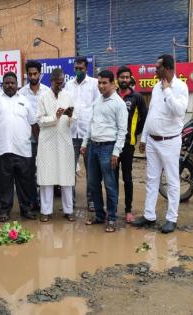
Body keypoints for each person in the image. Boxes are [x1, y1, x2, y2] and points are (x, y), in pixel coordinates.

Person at [132, 54, 188, 233]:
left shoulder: (180, 87)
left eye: (158, 67)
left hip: (170, 142)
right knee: (151, 179)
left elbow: (179, 111)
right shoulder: (156, 87)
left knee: (172, 181)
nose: (155, 70)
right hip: (152, 141)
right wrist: (143, 137)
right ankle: (149, 215)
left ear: (169, 69)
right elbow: (152, 114)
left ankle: (171, 219)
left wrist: (167, 90)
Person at [0, 72, 38, 222]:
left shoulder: (25, 101)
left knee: (25, 182)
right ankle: (4, 211)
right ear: (2, 84)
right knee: (4, 183)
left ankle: (26, 209)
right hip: (2, 149)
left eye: (12, 83)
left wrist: (39, 144)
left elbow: (33, 124)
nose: (10, 85)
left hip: (23, 149)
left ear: (17, 84)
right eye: (7, 83)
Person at [81, 70, 128, 233]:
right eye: (99, 83)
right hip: (93, 146)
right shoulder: (97, 100)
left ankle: (112, 218)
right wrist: (85, 143)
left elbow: (123, 130)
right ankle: (100, 215)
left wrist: (116, 152)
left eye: (104, 83)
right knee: (93, 184)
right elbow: (90, 123)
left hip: (108, 148)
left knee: (110, 185)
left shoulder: (119, 104)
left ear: (112, 84)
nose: (101, 86)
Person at [36, 68, 75, 222]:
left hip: (64, 140)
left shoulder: (68, 96)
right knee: (46, 176)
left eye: (62, 82)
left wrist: (71, 116)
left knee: (66, 176)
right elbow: (39, 120)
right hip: (47, 141)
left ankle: (68, 210)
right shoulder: (43, 97)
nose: (60, 85)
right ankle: (45, 211)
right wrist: (55, 117)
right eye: (58, 83)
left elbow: (75, 119)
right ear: (51, 81)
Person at [65, 56, 100, 211]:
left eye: (81, 68)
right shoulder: (68, 85)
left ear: (87, 69)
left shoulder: (94, 84)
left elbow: (98, 108)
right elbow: (66, 106)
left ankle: (91, 201)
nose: (78, 71)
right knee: (69, 170)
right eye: (76, 68)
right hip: (71, 134)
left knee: (90, 171)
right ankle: (69, 202)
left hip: (88, 135)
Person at [115, 66, 148, 223]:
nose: (125, 80)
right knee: (112, 178)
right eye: (122, 77)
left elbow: (144, 117)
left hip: (128, 144)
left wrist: (135, 133)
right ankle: (112, 208)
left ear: (131, 79)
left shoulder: (137, 97)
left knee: (127, 177)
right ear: (117, 79)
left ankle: (128, 210)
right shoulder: (112, 95)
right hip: (112, 144)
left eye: (127, 77)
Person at [19, 61, 50, 210]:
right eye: (30, 74)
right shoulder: (21, 93)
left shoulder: (47, 92)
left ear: (40, 74)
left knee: (44, 170)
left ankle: (44, 203)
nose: (32, 76)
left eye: (35, 74)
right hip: (28, 139)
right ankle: (32, 201)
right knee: (29, 171)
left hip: (45, 137)